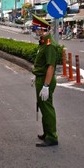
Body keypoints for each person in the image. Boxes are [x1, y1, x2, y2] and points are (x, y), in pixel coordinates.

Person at [30, 14, 59, 147]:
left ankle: (52, 137)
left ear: (42, 29)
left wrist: (46, 85)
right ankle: (47, 133)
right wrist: (36, 75)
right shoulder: (43, 42)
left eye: (35, 28)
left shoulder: (49, 45)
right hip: (40, 78)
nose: (34, 31)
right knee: (43, 107)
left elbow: (51, 66)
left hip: (45, 80)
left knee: (47, 108)